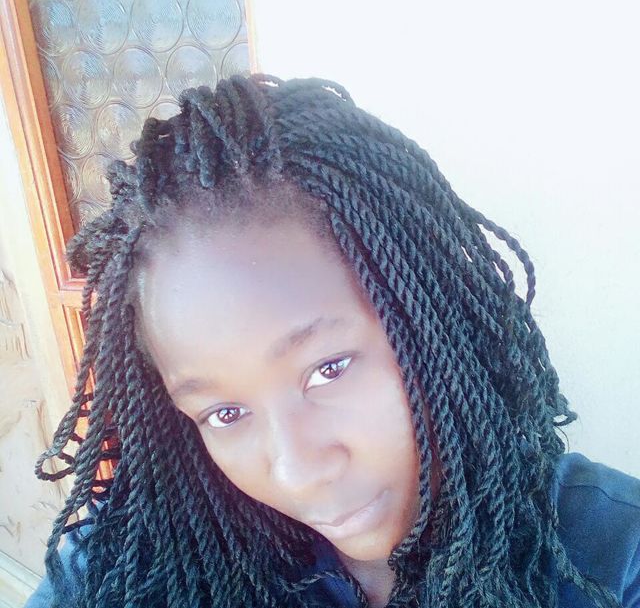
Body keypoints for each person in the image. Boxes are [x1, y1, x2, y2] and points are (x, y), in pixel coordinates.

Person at [25, 75, 639, 608]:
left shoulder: (617, 557)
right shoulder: (128, 559)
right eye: (225, 413)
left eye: (329, 368)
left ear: (433, 321)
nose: (297, 471)